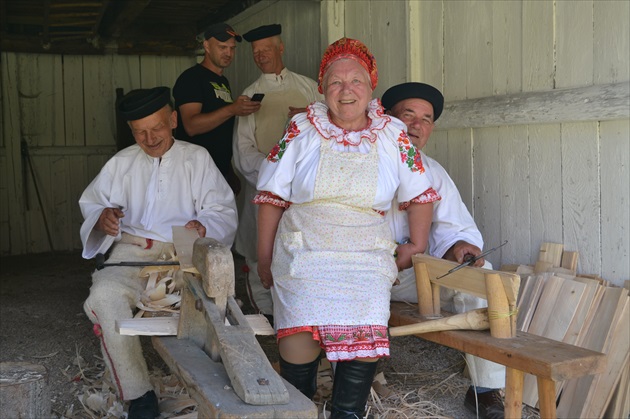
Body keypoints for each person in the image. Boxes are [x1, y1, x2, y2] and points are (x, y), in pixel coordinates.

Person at [254, 38, 439, 418]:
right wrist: (264, 257)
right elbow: (271, 196)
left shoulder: (391, 133)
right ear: (322, 89)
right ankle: (299, 410)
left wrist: (416, 243)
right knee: (300, 335)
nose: (346, 90)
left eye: (355, 80)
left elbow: (420, 192)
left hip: (365, 252)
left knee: (367, 323)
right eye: (335, 82)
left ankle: (346, 412)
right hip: (305, 248)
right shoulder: (302, 128)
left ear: (371, 86)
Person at [79, 87, 238, 419]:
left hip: (184, 252)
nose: (150, 138)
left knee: (209, 302)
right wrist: (102, 218)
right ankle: (138, 393)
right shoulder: (120, 163)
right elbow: (92, 204)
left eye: (158, 128)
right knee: (104, 295)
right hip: (133, 251)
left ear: (174, 120)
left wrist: (204, 225)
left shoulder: (197, 158)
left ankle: (208, 383)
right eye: (140, 132)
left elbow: (222, 209)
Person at [381, 82, 506, 418]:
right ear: (388, 116)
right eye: (408, 114)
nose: (417, 125)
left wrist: (461, 249)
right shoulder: (366, 158)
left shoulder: (433, 172)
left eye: (426, 119)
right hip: (366, 272)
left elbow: (456, 229)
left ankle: (484, 390)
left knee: (483, 275)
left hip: (412, 277)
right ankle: (359, 377)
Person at [232, 23, 323, 320]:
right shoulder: (250, 95)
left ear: (280, 48)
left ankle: (296, 314)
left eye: (266, 49)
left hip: (303, 190)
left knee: (298, 250)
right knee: (262, 251)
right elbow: (243, 152)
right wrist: (276, 172)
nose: (261, 56)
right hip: (263, 187)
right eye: (256, 52)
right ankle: (267, 316)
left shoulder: (311, 88)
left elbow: (328, 134)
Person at [173, 22, 260, 194]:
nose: (228, 53)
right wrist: (232, 109)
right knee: (195, 221)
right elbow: (191, 126)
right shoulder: (191, 78)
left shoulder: (222, 82)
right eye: (222, 47)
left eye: (232, 48)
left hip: (218, 173)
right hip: (193, 174)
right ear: (206, 46)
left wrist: (228, 171)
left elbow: (220, 130)